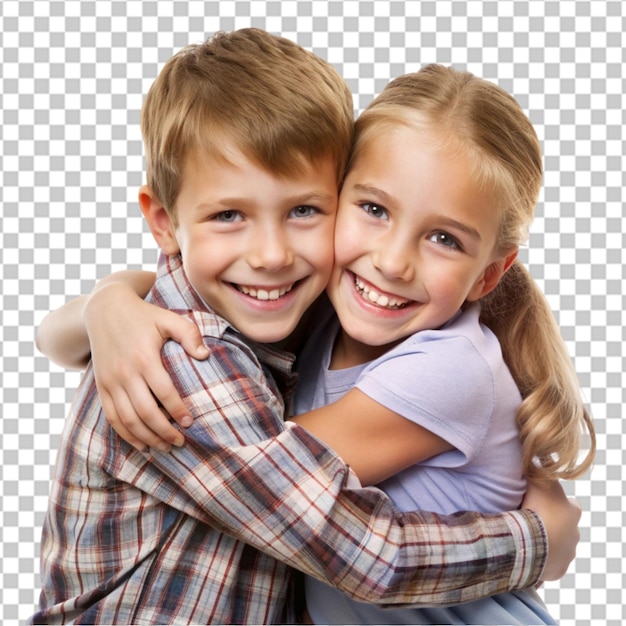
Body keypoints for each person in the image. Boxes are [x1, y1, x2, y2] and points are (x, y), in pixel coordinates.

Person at [32, 30, 583, 625]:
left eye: (303, 210)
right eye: (374, 210)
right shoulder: (208, 351)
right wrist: (107, 303)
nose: (270, 255)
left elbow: (346, 537)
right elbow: (356, 546)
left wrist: (538, 542)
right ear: (166, 222)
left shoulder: (421, 356)